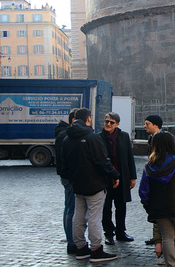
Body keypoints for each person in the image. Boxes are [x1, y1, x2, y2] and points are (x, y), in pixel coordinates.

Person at [62, 107, 120, 262]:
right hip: (94, 183)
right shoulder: (92, 137)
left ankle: (81, 248)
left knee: (78, 216)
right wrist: (115, 175)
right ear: (88, 119)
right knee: (94, 217)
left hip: (77, 184)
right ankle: (96, 249)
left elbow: (64, 164)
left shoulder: (67, 138)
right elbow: (102, 161)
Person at [139, 132, 175, 267]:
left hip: (159, 209)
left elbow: (144, 192)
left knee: (167, 237)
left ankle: (171, 264)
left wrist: (148, 206)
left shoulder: (149, 166)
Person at [101, 112, 136, 245]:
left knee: (121, 205)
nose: (108, 124)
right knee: (106, 206)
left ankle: (121, 232)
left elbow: (129, 157)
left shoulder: (123, 136)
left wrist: (132, 177)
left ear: (117, 124)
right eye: (107, 121)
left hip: (122, 176)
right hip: (105, 178)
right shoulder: (99, 137)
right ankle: (108, 233)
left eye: (112, 122)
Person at [55, 108, 78, 254]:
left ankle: (71, 240)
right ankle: (72, 242)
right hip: (71, 177)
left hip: (65, 176)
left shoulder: (61, 133)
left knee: (68, 208)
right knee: (71, 209)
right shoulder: (67, 135)